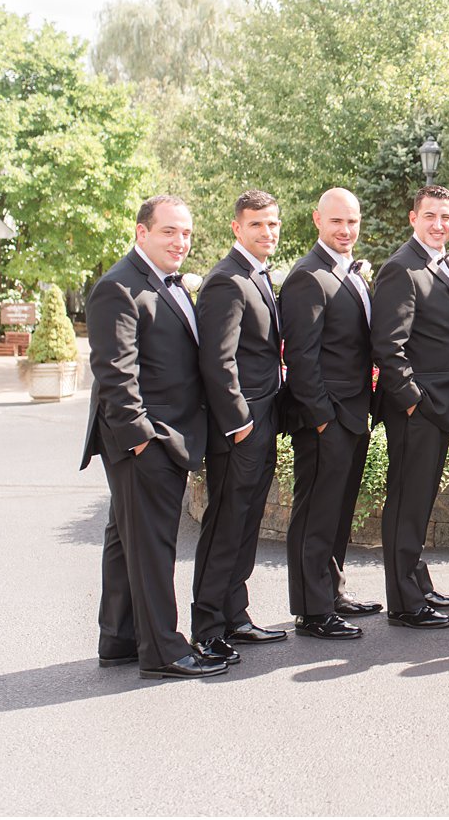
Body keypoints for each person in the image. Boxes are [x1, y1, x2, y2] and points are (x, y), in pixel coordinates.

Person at [84, 195, 224, 679]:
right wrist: (142, 440)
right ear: (142, 232)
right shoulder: (118, 288)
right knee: (153, 546)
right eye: (169, 231)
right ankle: (165, 650)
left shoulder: (171, 283)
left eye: (186, 233)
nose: (180, 241)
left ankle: (119, 638)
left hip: (164, 434)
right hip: (145, 440)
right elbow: (115, 375)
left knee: (126, 541)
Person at [190, 190, 288, 663]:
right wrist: (240, 423)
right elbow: (217, 360)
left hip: (264, 417)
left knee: (246, 523)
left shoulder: (257, 276)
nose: (267, 232)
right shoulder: (227, 281)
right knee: (226, 525)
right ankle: (207, 628)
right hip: (241, 427)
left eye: (272, 224)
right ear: (237, 228)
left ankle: (236, 615)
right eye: (256, 225)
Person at [280, 188, 381, 640]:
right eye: (337, 221)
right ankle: (312, 609)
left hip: (353, 412)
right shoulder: (308, 276)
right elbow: (300, 357)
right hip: (327, 417)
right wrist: (322, 418)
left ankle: (332, 591)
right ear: (318, 220)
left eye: (352, 222)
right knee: (316, 514)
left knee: (338, 511)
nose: (345, 230)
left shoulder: (351, 272)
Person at [371, 185, 449, 629]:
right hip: (419, 410)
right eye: (430, 215)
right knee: (406, 503)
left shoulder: (444, 264)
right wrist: (414, 403)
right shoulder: (401, 269)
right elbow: (388, 348)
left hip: (440, 407)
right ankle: (405, 602)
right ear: (413, 218)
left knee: (421, 500)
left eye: (446, 217)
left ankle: (417, 581)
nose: (439, 224)